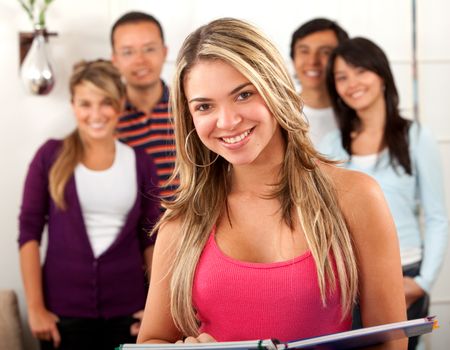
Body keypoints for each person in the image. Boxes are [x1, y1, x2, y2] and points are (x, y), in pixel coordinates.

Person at [136, 18, 407, 349]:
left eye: (244, 94)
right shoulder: (182, 222)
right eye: (205, 106)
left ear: (275, 88)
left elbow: (390, 342)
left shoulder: (355, 196)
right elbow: (152, 340)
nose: (227, 121)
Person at [18, 59, 160, 350]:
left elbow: (151, 240)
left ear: (120, 104)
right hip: (62, 316)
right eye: (85, 103)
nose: (96, 114)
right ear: (72, 105)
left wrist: (158, 310)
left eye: (105, 102)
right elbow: (29, 234)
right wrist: (35, 308)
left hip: (130, 316)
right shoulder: (50, 156)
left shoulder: (141, 162)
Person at [320, 37, 448, 350]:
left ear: (381, 75)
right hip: (350, 279)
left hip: (407, 272)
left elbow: (437, 217)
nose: (352, 84)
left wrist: (423, 281)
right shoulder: (330, 145)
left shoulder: (415, 136)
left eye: (360, 71)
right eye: (341, 77)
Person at [111, 11, 177, 201]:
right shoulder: (106, 118)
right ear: (114, 59)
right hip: (133, 228)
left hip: (193, 227)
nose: (140, 60)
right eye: (128, 52)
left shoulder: (189, 108)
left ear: (164, 52)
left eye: (149, 49)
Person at [290, 18, 349, 146]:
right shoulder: (277, 114)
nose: (313, 61)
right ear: (293, 58)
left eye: (325, 52)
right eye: (304, 51)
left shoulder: (357, 117)